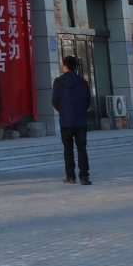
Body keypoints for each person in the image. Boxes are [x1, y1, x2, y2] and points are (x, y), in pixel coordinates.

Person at [52, 55, 93, 185]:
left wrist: (64, 111)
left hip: (66, 121)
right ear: (75, 67)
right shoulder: (83, 82)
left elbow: (55, 101)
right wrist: (81, 111)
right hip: (80, 120)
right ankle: (84, 177)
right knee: (82, 149)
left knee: (68, 149)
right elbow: (88, 101)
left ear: (65, 66)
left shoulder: (58, 82)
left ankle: (70, 176)